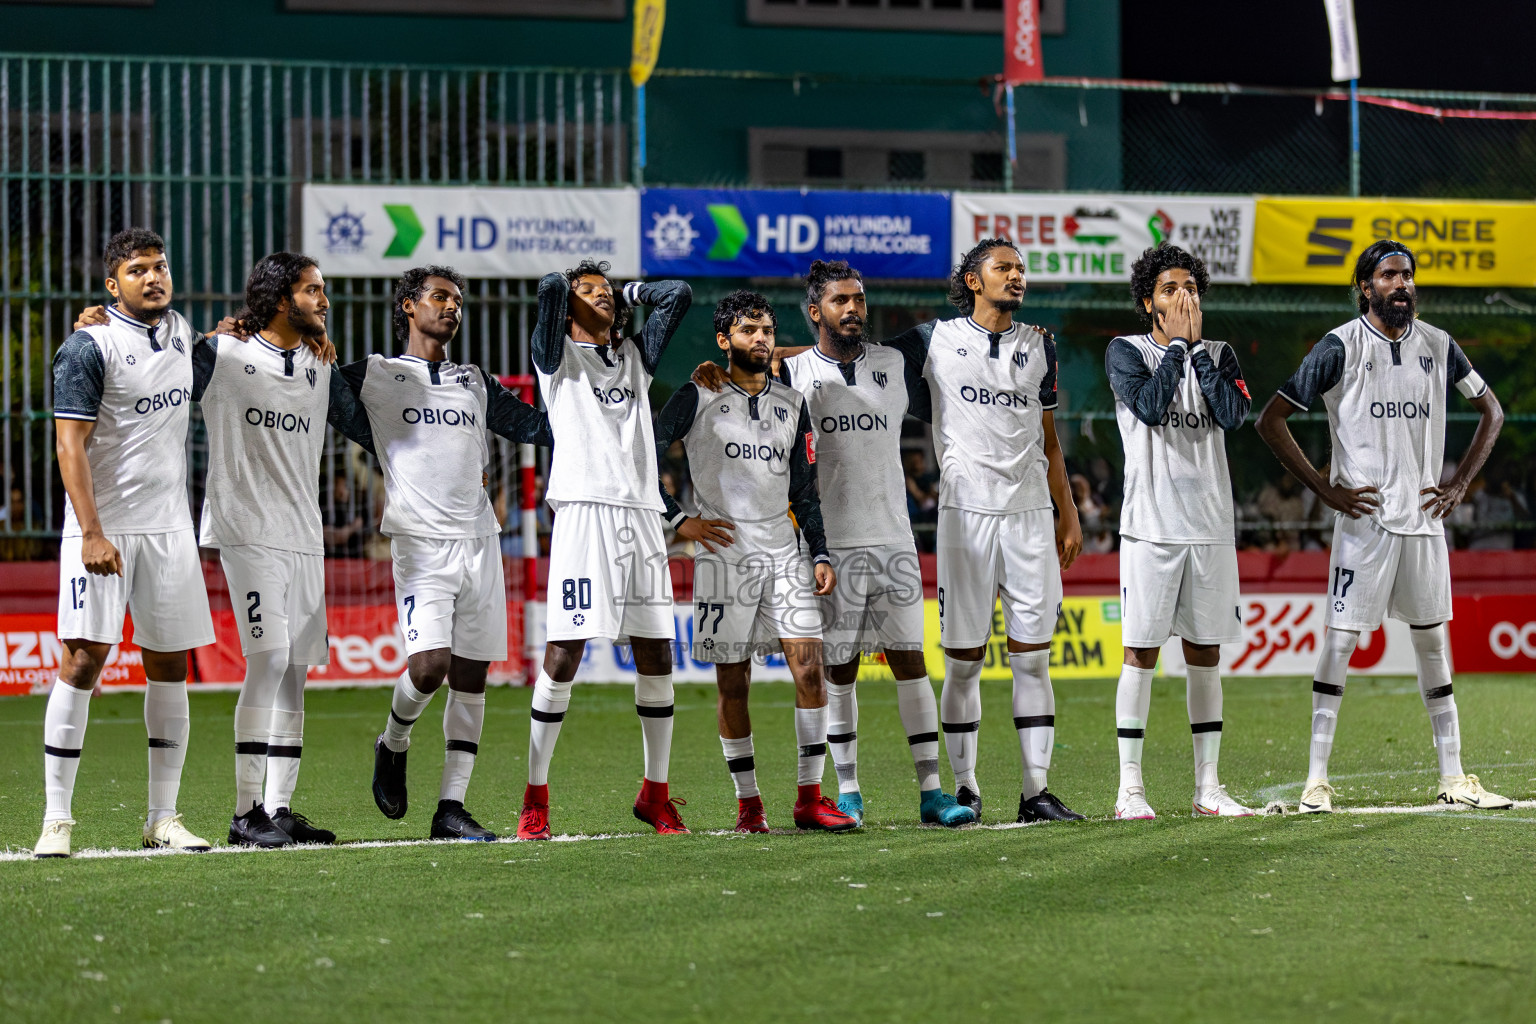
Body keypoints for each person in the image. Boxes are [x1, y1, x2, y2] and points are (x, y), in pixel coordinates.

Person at [691, 259, 974, 827]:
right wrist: (727, 369)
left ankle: (932, 791)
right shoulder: (794, 376)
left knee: (910, 663)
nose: (853, 310)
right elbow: (755, 368)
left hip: (894, 537)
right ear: (816, 311)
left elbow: (954, 339)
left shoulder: (895, 362)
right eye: (840, 301)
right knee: (838, 669)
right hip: (830, 545)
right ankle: (847, 791)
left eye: (859, 300)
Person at [1256, 239, 1511, 813]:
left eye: (1409, 276)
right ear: (1365, 286)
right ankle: (1315, 782)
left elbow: (1491, 411)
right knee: (1341, 642)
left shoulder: (1440, 346)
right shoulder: (1338, 348)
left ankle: (1454, 777)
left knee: (1432, 644)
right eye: (1391, 276)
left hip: (1423, 524)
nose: (1403, 285)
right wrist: (1326, 491)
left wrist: (1460, 484)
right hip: (1365, 524)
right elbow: (1272, 420)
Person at [882, 238, 1085, 824]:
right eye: (1003, 268)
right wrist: (775, 358)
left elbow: (1048, 439)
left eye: (1020, 268)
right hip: (965, 518)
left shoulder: (1041, 344)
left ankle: (1035, 792)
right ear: (974, 280)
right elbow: (853, 358)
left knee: (1032, 660)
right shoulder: (935, 340)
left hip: (1029, 518)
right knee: (965, 661)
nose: (1016, 276)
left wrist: (1065, 511)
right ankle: (966, 788)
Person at [356, 266, 556, 841]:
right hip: (420, 545)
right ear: (408, 307)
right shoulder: (376, 373)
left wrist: (586, 408)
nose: (451, 307)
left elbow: (529, 426)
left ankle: (451, 807)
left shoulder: (474, 380)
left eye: (458, 301)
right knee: (429, 667)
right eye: (440, 297)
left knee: (472, 677)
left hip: (480, 543)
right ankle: (393, 741)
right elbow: (312, 393)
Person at [37, 229, 217, 857]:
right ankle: (56, 820)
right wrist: (90, 532)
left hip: (170, 530)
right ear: (113, 285)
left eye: (160, 266)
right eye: (138, 270)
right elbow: (69, 445)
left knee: (170, 663)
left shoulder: (179, 332)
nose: (153, 277)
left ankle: (162, 819)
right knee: (84, 659)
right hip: (103, 530)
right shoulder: (88, 346)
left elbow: (220, 352)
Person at [656, 291, 855, 833]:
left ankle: (810, 798)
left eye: (767, 330)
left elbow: (806, 489)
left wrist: (818, 551)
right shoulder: (698, 394)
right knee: (733, 683)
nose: (762, 339)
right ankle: (749, 805)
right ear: (725, 340)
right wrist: (678, 520)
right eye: (749, 330)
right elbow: (644, 446)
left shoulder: (793, 404)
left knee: (811, 668)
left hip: (784, 552)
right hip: (724, 555)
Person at [518, 261, 692, 841]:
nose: (606, 298)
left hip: (642, 514)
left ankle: (656, 794)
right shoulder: (554, 358)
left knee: (657, 654)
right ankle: (535, 794)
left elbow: (679, 294)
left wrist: (628, 292)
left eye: (609, 292)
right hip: (583, 511)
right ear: (569, 307)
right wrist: (573, 291)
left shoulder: (636, 357)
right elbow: (546, 289)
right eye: (590, 292)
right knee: (564, 653)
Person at [1106, 244, 1254, 820]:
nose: (1183, 297)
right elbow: (1147, 406)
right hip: (1150, 527)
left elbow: (1233, 415)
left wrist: (1197, 353)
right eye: (1170, 289)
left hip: (1211, 527)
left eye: (1190, 288)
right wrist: (1175, 350)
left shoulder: (1220, 353)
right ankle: (1130, 789)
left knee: (1205, 652)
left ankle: (1208, 788)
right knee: (1140, 652)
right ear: (1149, 302)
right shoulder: (1128, 350)